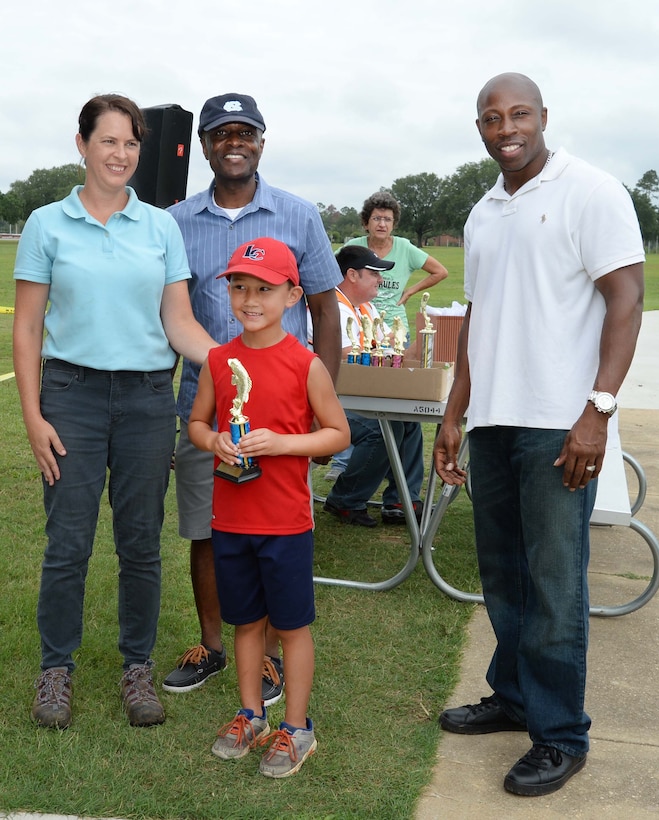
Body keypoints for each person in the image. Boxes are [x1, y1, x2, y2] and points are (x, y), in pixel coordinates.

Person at [432, 73, 645, 797]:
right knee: (505, 576)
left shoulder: (590, 190)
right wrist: (454, 414)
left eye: (518, 113)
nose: (506, 127)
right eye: (491, 117)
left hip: (560, 423)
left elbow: (627, 299)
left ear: (543, 117)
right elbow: (477, 324)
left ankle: (560, 736)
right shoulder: (485, 210)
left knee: (554, 585)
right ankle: (516, 697)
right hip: (492, 421)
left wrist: (598, 409)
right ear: (481, 127)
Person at [13, 94, 220, 729]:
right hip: (70, 398)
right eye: (109, 142)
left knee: (140, 545)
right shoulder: (48, 224)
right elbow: (27, 329)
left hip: (146, 400)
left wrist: (236, 363)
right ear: (82, 146)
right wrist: (33, 416)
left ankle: (136, 669)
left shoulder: (160, 227)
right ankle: (57, 671)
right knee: (68, 544)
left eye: (131, 144)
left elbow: (179, 321)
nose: (121, 155)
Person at [164, 94, 342, 703]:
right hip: (208, 408)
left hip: (286, 417)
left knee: (275, 534)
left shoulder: (297, 214)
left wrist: (324, 409)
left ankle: (267, 655)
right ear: (205, 146)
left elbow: (324, 308)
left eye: (246, 132)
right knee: (208, 529)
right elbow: (172, 315)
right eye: (221, 133)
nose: (233, 142)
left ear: (262, 141)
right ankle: (214, 647)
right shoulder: (177, 221)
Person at [188, 237, 349, 777]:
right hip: (231, 520)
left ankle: (297, 727)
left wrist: (282, 443)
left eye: (264, 289)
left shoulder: (306, 365)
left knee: (292, 625)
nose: (249, 299)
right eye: (239, 287)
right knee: (246, 622)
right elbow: (197, 425)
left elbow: (336, 435)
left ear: (292, 295)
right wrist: (214, 443)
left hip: (284, 523)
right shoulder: (218, 359)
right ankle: (251, 713)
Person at [323, 245, 424, 527]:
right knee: (382, 429)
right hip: (331, 401)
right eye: (374, 274)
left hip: (360, 396)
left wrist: (428, 332)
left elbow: (397, 352)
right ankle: (345, 500)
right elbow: (347, 358)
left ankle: (401, 499)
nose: (381, 280)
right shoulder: (331, 307)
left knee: (409, 419)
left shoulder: (366, 307)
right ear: (352, 275)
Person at [344, 190, 448, 340]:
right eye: (376, 218)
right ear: (366, 223)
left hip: (396, 330)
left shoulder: (405, 248)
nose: (382, 224)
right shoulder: (353, 247)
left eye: (387, 219)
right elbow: (330, 271)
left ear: (393, 224)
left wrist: (410, 291)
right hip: (360, 327)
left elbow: (440, 272)